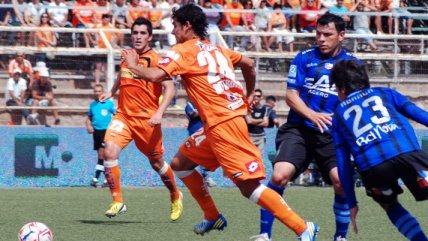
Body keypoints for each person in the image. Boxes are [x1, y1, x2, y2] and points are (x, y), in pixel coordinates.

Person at [123, 4, 318, 240]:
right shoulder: (217, 49)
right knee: (180, 164)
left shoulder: (182, 50)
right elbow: (249, 64)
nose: (173, 31)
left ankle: (302, 227)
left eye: (175, 26)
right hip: (217, 124)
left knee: (248, 187)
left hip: (224, 124)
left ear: (187, 26)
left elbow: (156, 75)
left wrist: (133, 65)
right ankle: (212, 215)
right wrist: (246, 95)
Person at [253, 13, 361, 241]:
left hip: (332, 135)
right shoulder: (303, 58)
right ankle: (264, 234)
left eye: (327, 34)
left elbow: (356, 99)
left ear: (341, 35)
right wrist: (312, 114)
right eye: (318, 34)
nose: (321, 39)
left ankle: (340, 237)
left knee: (341, 182)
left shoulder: (352, 63)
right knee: (279, 176)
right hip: (299, 129)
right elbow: (291, 96)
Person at [331, 59, 428, 241]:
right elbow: (421, 116)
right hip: (408, 155)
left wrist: (351, 202)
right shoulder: (385, 93)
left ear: (342, 88)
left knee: (389, 205)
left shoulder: (338, 116)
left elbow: (343, 162)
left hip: (374, 169)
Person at [98, 17, 183, 221]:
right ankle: (118, 201)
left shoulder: (156, 59)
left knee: (156, 163)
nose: (138, 36)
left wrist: (159, 112)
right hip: (124, 116)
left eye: (142, 33)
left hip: (147, 121)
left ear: (150, 37)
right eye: (135, 32)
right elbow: (123, 74)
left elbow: (170, 87)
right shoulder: (126, 55)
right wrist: (111, 91)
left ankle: (175, 194)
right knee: (109, 151)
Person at [86, 84, 116, 188]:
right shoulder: (92, 105)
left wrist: (114, 127)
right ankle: (103, 179)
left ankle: (98, 178)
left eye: (99, 91)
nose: (97, 93)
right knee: (100, 156)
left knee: (104, 155)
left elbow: (117, 115)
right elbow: (89, 117)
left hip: (106, 132)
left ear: (102, 92)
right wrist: (89, 126)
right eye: (95, 91)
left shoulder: (109, 104)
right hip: (96, 133)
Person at [185, 101, 217, 188]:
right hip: (194, 133)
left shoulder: (204, 102)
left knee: (205, 155)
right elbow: (192, 114)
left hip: (206, 132)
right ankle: (195, 177)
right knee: (195, 156)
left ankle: (205, 176)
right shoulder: (189, 104)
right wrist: (205, 110)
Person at [245, 88, 269, 155]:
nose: (256, 97)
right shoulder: (248, 107)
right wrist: (261, 120)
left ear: (261, 97)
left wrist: (253, 121)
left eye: (258, 96)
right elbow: (249, 121)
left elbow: (266, 123)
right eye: (254, 95)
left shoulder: (264, 109)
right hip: (250, 136)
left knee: (259, 158)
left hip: (261, 137)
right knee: (249, 157)